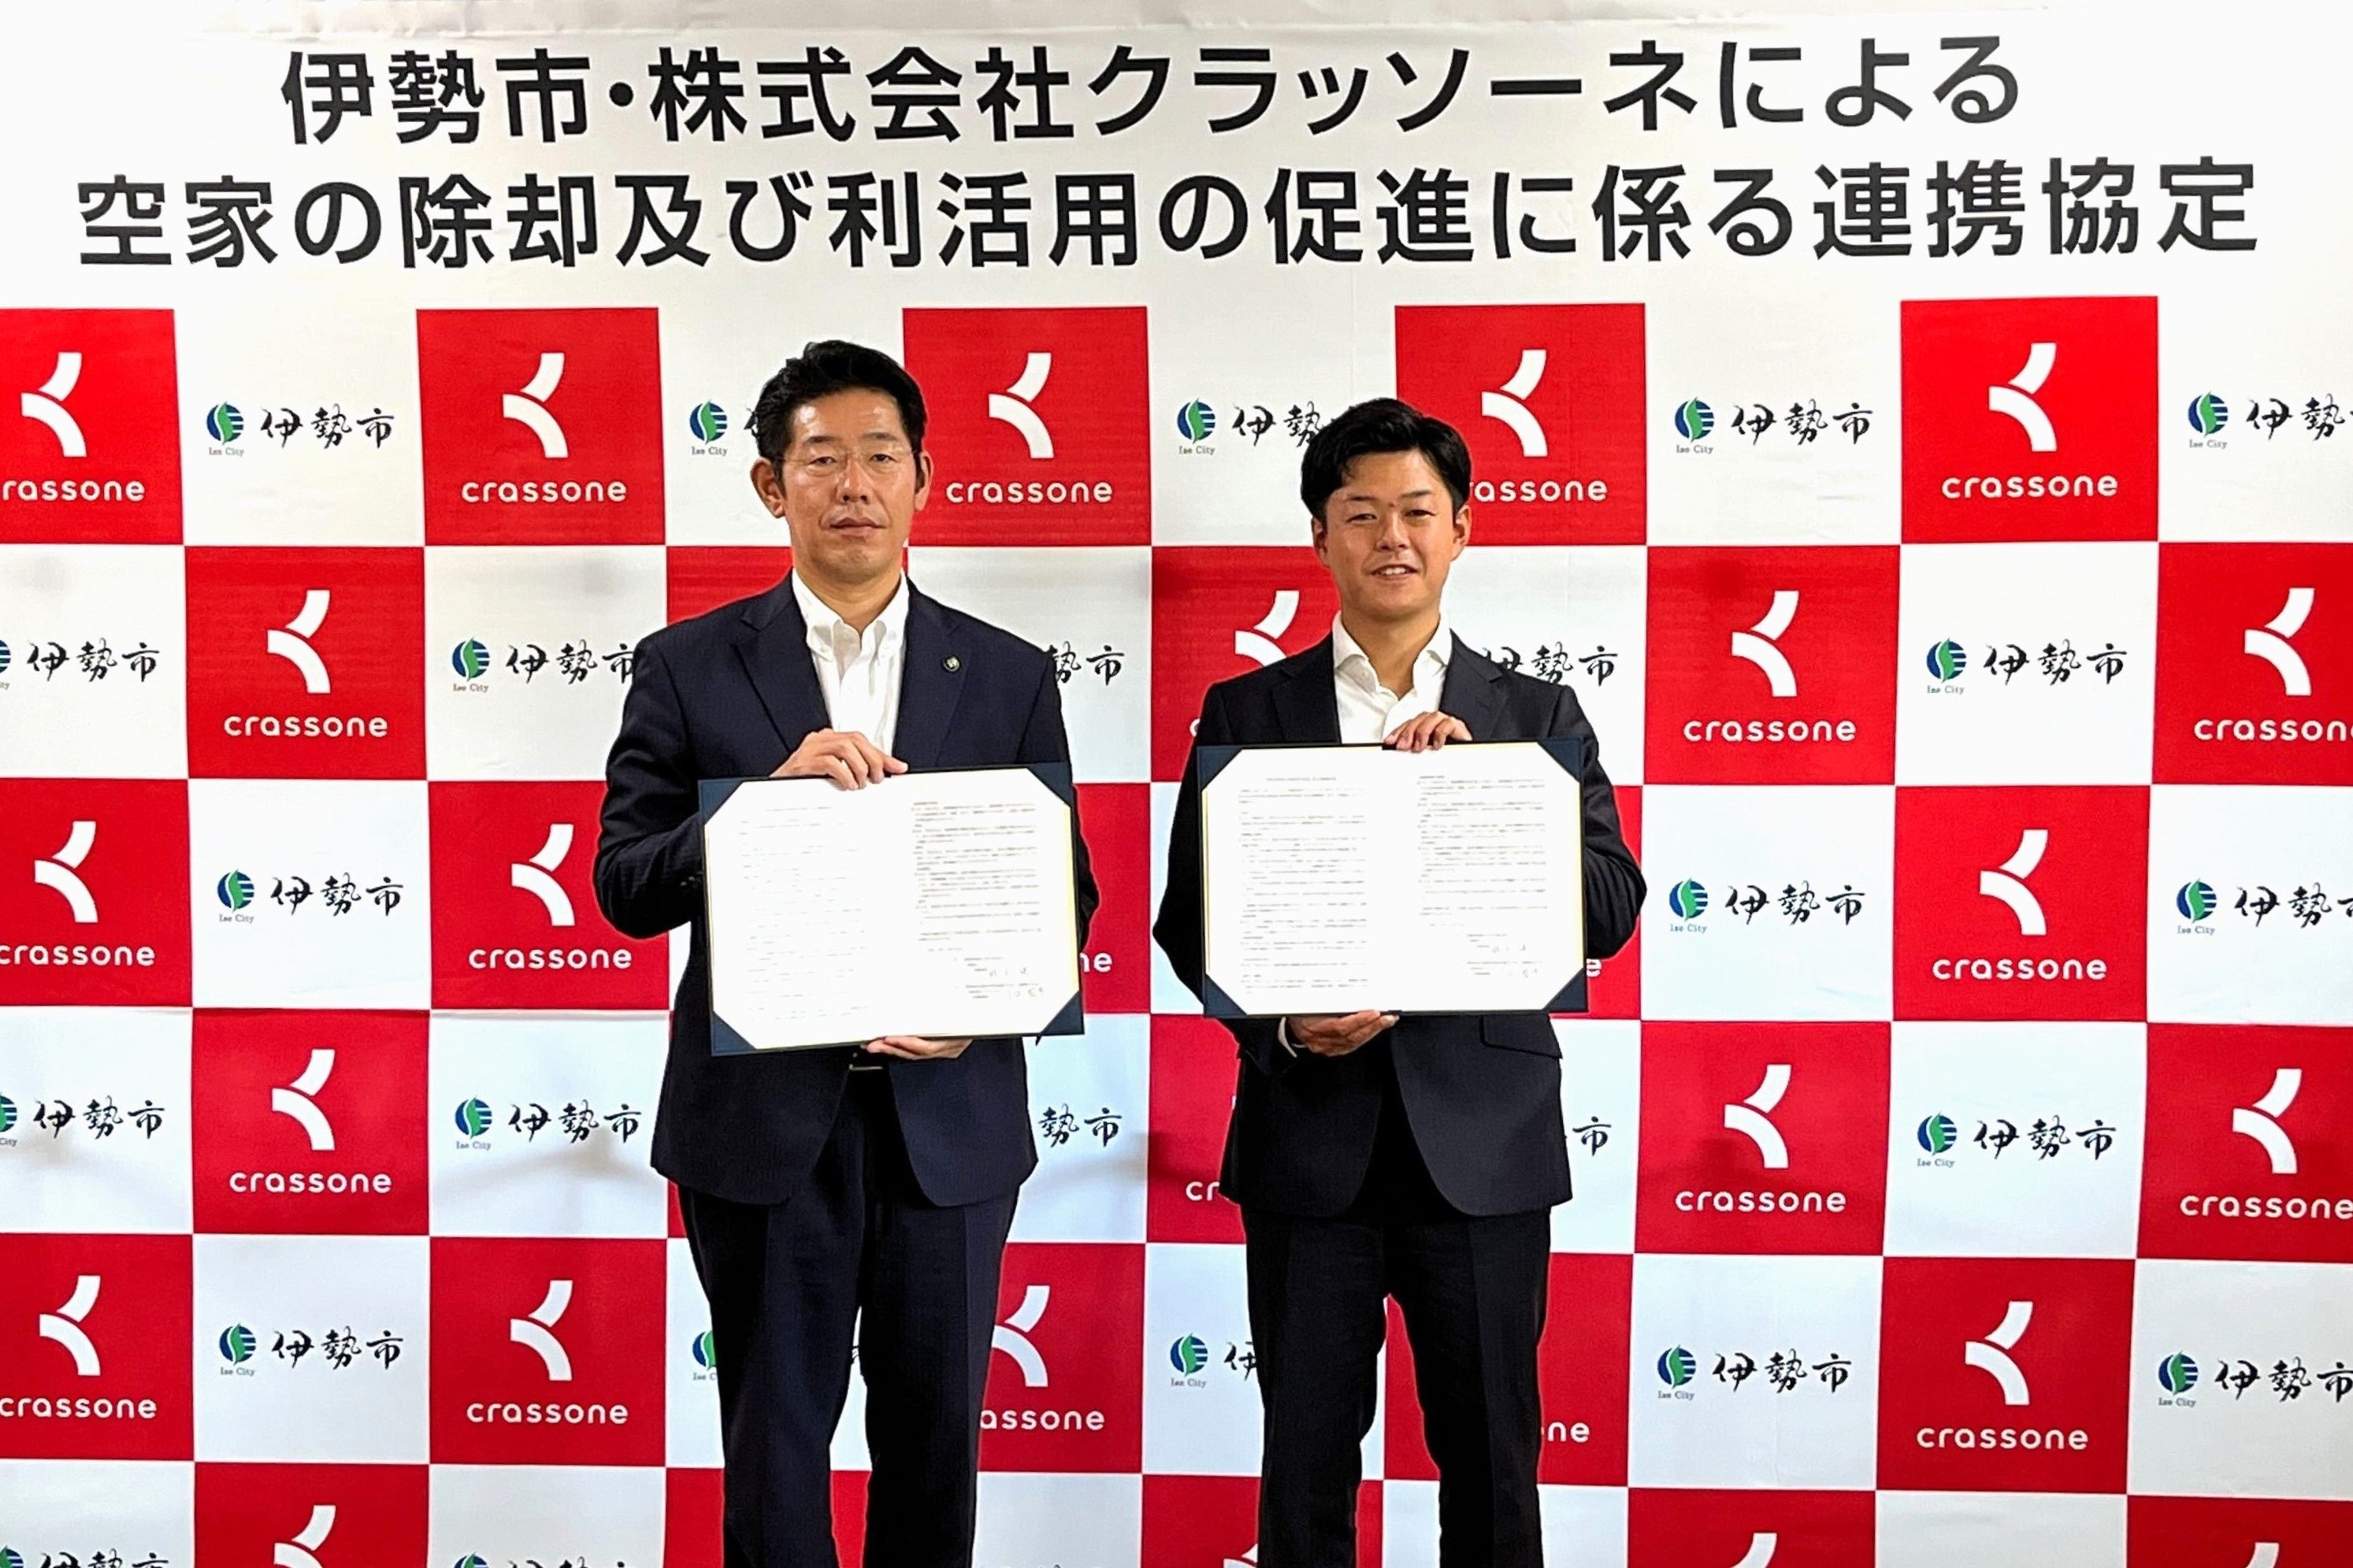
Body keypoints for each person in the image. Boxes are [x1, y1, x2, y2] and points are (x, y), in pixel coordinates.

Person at [595, 339, 1097, 1568]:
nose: (855, 484)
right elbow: (625, 887)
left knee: (935, 1454)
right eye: (823, 459)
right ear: (773, 486)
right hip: (761, 1127)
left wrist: (984, 1005)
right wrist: (756, 810)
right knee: (774, 1454)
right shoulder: (688, 665)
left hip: (949, 1122)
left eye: (882, 455)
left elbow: (1061, 891)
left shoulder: (1009, 673)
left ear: (925, 477)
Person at [1153, 398, 1644, 1568]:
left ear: (1461, 530)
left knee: (1491, 1460)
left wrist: (1495, 802)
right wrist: (1283, 1028)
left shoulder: (1534, 715)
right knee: (1304, 1463)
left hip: (1484, 1142)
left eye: (1418, 512)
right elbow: (1193, 922)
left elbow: (1611, 907)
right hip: (1307, 1138)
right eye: (1361, 513)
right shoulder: (1248, 711)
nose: (1392, 538)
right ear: (1320, 537)